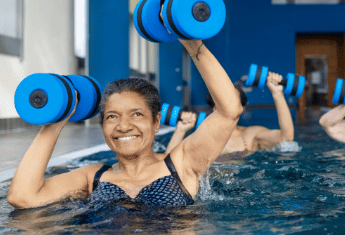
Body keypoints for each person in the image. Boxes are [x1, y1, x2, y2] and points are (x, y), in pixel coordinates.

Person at [7, 38, 243, 209]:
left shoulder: (182, 164)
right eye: (112, 116)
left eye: (137, 115)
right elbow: (23, 197)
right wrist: (58, 118)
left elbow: (229, 111)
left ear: (156, 122)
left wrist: (194, 45)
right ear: (102, 127)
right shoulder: (93, 177)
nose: (123, 126)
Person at [166, 72, 294, 157]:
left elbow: (286, 137)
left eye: (231, 101)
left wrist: (277, 94)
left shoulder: (251, 136)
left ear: (241, 108)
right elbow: (167, 168)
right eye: (221, 100)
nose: (226, 105)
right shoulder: (200, 137)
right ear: (214, 106)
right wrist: (180, 130)